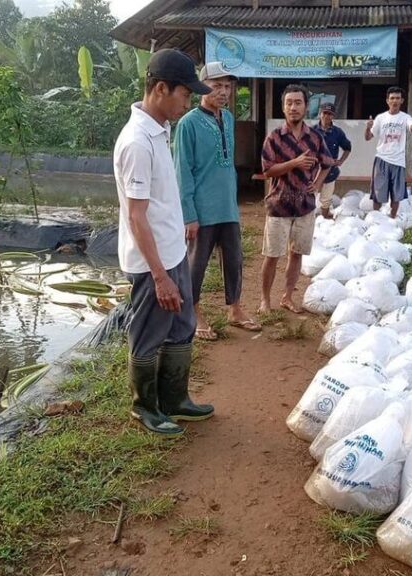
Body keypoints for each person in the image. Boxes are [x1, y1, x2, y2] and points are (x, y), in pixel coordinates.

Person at [113, 49, 214, 436]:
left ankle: (175, 400)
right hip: (150, 261)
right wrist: (159, 276)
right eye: (184, 94)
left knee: (182, 324)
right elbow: (136, 216)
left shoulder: (159, 129)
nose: (189, 101)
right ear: (160, 89)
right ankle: (145, 407)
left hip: (171, 251)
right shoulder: (137, 142)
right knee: (149, 332)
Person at [174, 62, 261, 341]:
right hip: (201, 208)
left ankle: (234, 309)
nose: (224, 91)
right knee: (196, 265)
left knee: (234, 259)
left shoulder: (228, 118)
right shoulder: (188, 123)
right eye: (217, 85)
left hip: (227, 207)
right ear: (202, 86)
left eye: (228, 86)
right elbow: (182, 171)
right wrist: (189, 214)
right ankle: (194, 312)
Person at [259, 84, 335, 314]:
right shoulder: (274, 138)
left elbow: (328, 163)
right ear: (283, 108)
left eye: (298, 103)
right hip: (278, 205)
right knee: (272, 255)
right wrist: (295, 163)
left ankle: (288, 297)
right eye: (289, 103)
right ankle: (265, 300)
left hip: (304, 206)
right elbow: (268, 170)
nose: (293, 107)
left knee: (296, 254)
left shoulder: (315, 138)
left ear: (306, 107)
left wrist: (319, 183)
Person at [364, 86, 412, 219]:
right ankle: (376, 219)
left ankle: (392, 218)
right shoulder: (381, 118)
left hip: (398, 161)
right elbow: (368, 137)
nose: (395, 101)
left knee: (396, 194)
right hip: (381, 159)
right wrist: (367, 128)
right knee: (378, 193)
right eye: (392, 98)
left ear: (402, 100)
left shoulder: (405, 117)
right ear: (387, 101)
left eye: (397, 98)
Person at [313, 102, 352, 219]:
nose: (327, 116)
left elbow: (347, 147)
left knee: (326, 199)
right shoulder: (312, 131)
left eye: (330, 114)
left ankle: (325, 218)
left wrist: (340, 161)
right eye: (325, 113)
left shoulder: (338, 132)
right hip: (314, 171)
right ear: (320, 114)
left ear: (333, 116)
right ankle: (307, 219)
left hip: (331, 171)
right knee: (309, 196)